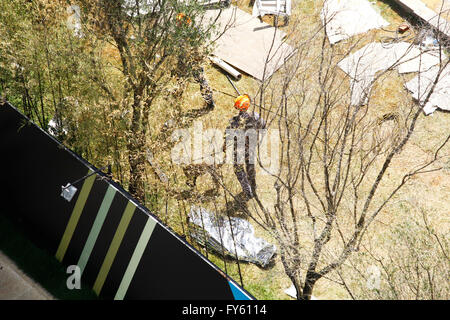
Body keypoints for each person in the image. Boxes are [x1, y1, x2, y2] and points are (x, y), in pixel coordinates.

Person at [224, 94, 266, 200]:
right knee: (250, 167)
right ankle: (253, 186)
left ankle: (247, 190)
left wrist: (224, 146)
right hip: (251, 146)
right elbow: (263, 126)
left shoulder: (234, 122)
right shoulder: (256, 117)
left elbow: (228, 136)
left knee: (238, 169)